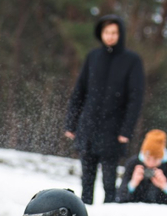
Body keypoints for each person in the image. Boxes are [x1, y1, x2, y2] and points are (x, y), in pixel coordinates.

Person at [64, 15, 145, 205]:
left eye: (114, 32)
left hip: (114, 129)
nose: (110, 36)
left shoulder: (132, 60)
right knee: (86, 179)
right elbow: (79, 92)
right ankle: (84, 213)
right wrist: (71, 122)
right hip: (88, 125)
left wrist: (126, 130)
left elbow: (135, 99)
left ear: (121, 34)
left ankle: (109, 213)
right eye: (106, 32)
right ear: (101, 34)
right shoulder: (93, 57)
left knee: (109, 181)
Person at [117, 129, 167, 209]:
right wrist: (132, 184)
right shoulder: (133, 164)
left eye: (155, 159)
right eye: (148, 158)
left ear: (161, 157)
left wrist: (165, 186)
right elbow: (119, 198)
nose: (151, 163)